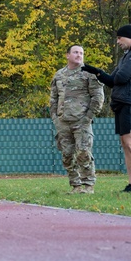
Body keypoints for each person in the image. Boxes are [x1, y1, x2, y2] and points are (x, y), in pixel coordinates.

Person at [82, 25, 131, 193]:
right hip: (123, 103)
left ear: (128, 37)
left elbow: (121, 77)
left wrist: (114, 76)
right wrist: (96, 72)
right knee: (125, 144)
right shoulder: (128, 55)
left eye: (119, 38)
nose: (118, 42)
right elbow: (113, 80)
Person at [50, 46, 105, 194]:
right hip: (63, 122)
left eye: (81, 53)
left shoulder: (89, 73)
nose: (79, 55)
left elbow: (98, 97)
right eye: (75, 52)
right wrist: (55, 118)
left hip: (82, 121)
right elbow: (53, 98)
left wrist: (88, 117)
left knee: (83, 152)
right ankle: (76, 185)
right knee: (67, 155)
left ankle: (88, 185)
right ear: (67, 55)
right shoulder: (59, 75)